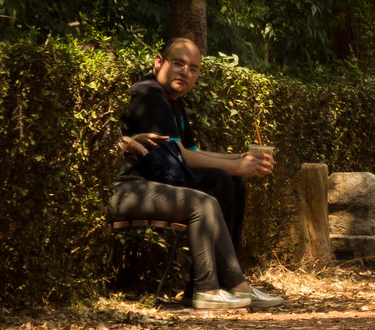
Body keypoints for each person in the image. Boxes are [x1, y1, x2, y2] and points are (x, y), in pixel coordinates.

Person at [112, 38, 282, 310]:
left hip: (160, 178)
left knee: (232, 182)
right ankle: (216, 287)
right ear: (159, 62)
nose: (185, 72)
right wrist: (238, 164)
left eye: (193, 68)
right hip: (140, 182)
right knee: (221, 181)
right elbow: (178, 156)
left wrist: (240, 160)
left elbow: (191, 150)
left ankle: (228, 284)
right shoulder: (149, 93)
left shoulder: (174, 100)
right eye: (178, 63)